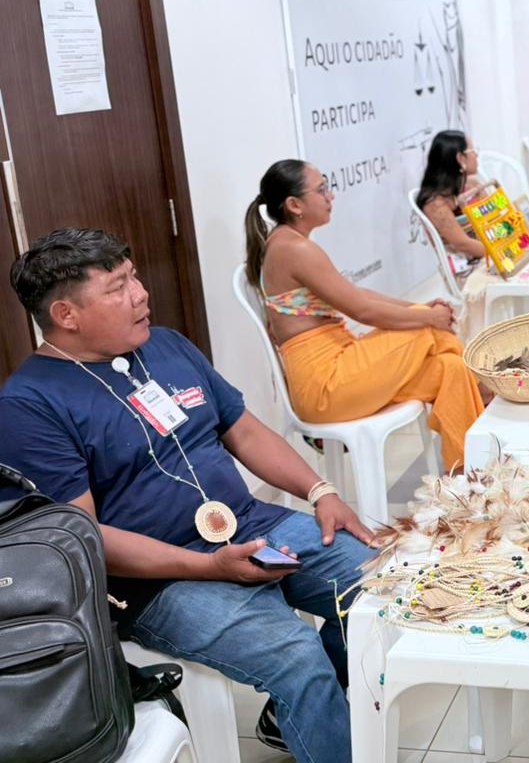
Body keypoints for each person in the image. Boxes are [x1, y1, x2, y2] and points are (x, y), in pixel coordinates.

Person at [0, 227, 374, 763]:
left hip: (247, 524)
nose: (141, 294)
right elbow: (81, 540)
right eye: (118, 287)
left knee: (376, 587)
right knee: (297, 654)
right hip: (158, 582)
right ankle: (316, 710)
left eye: (134, 278)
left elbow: (243, 430)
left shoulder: (166, 345)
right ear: (66, 315)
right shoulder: (28, 405)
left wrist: (322, 490)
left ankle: (306, 715)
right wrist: (212, 568)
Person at [247, 159, 486, 471]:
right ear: (295, 205)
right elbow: (361, 309)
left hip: (342, 365)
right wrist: (428, 319)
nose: (330, 196)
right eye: (322, 190)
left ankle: (469, 475)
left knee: (450, 368)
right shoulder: (294, 249)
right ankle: (486, 391)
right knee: (427, 331)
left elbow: (358, 295)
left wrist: (422, 310)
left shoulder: (292, 243)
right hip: (324, 387)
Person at [416, 129, 485, 271]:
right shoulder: (435, 204)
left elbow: (498, 215)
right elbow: (462, 244)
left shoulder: (473, 185)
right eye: (472, 150)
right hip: (468, 268)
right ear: (461, 158)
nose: (476, 154)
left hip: (490, 255)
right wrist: (500, 253)